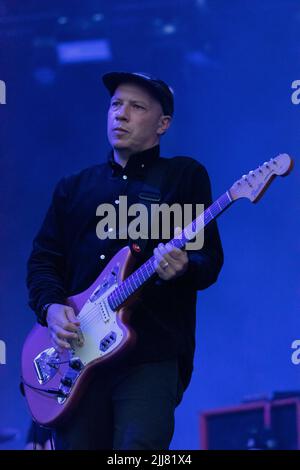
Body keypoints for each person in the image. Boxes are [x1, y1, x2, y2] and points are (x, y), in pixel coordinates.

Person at [26, 71, 224, 450]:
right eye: (116, 105)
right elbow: (43, 261)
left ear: (162, 123)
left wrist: (185, 266)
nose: (121, 114)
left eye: (136, 107)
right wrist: (51, 307)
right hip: (77, 358)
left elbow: (208, 259)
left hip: (150, 351)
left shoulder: (183, 176)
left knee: (140, 450)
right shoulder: (74, 187)